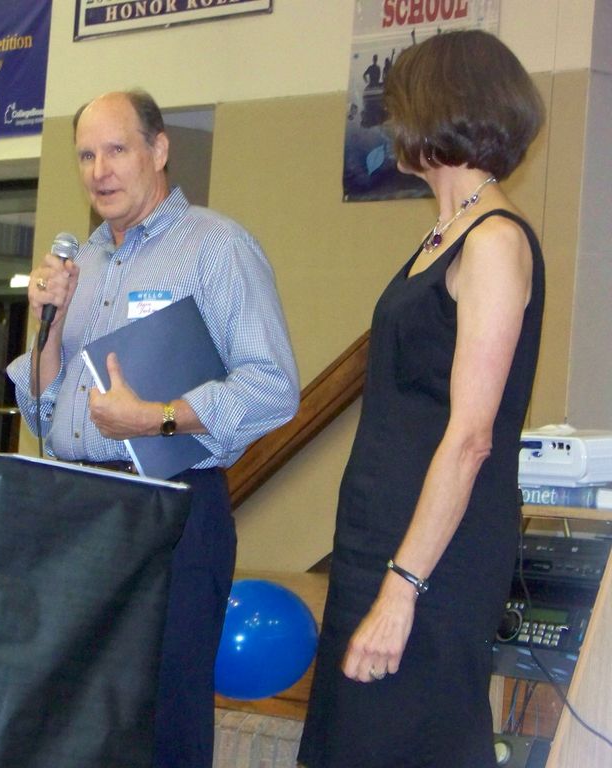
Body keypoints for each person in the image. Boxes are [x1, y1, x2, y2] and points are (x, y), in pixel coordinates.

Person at [6, 90, 300, 767]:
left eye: (117, 150)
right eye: (86, 155)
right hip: (79, 508)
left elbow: (273, 387)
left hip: (171, 508)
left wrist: (157, 418)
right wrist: (48, 324)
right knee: (78, 717)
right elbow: (44, 414)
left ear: (160, 150)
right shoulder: (81, 265)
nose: (99, 170)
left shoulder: (216, 247)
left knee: (161, 718)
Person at [298, 30, 545, 768]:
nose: (388, 119)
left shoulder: (494, 241)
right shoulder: (446, 233)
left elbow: (470, 438)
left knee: (406, 742)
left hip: (434, 559)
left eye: (398, 103)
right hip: (379, 538)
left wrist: (403, 588)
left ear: (436, 109)